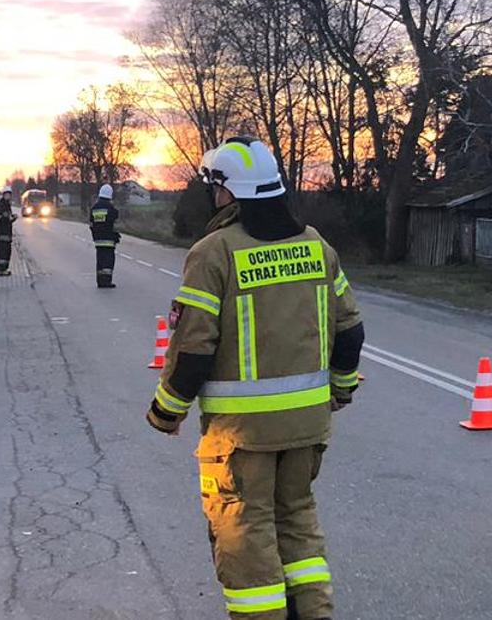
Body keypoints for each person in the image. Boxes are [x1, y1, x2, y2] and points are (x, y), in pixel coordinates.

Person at [145, 137, 365, 620]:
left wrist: (167, 411)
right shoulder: (316, 247)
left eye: (215, 190)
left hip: (242, 437)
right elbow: (350, 331)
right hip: (307, 428)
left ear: (228, 194)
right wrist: (341, 389)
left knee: (246, 536)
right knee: (298, 524)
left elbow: (195, 348)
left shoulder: (214, 252)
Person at [89, 183, 121, 288]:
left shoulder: (94, 208)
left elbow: (91, 224)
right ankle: (106, 281)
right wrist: (115, 236)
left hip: (98, 240)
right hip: (108, 240)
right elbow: (115, 222)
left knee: (100, 261)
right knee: (108, 261)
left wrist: (95, 235)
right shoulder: (110, 208)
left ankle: (100, 281)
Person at [0, 188, 17, 276]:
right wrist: (4, 216)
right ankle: (0, 270)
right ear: (3, 195)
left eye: (9, 195)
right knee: (2, 253)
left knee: (7, 253)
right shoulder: (0, 206)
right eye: (7, 194)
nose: (8, 196)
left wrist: (12, 218)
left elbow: (8, 219)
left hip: (7, 233)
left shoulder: (7, 206)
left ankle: (5, 268)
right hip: (1, 234)